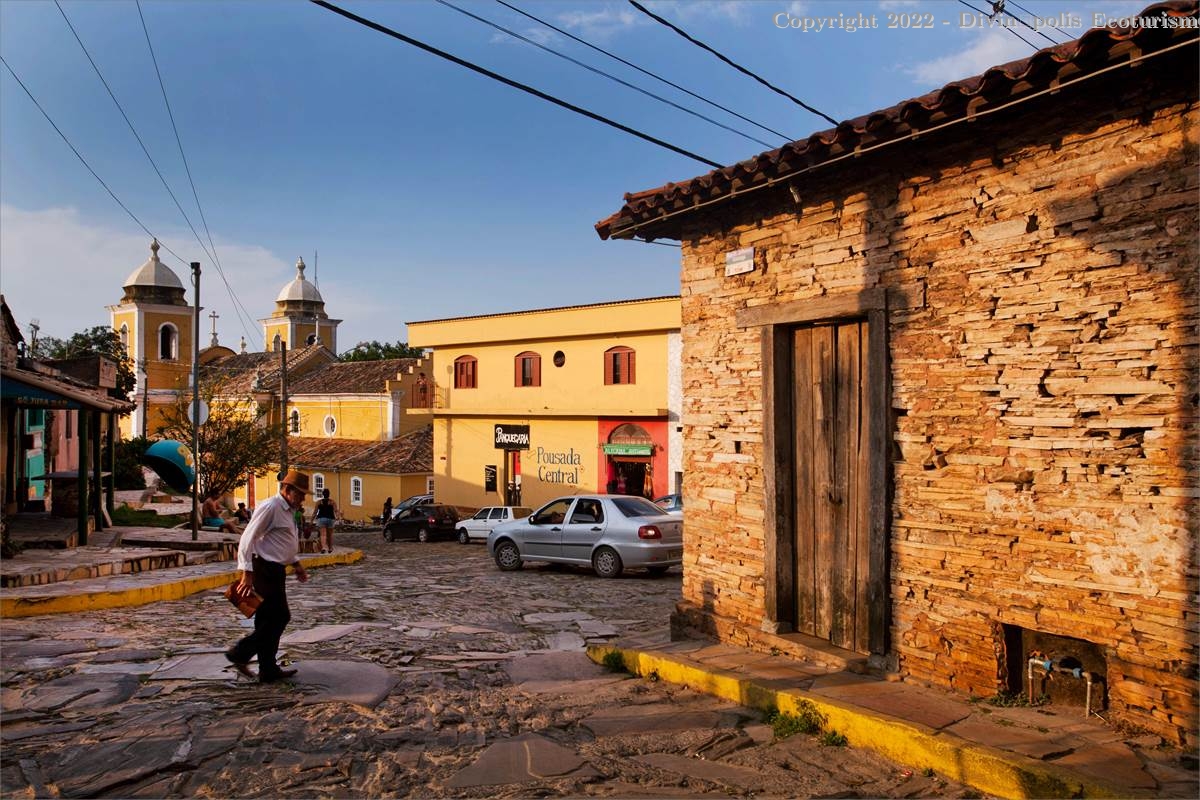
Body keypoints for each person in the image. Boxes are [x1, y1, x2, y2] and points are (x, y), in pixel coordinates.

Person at [226, 470, 310, 683]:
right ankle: (240, 653)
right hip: (264, 569)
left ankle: (268, 668)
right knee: (280, 617)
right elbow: (247, 537)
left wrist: (296, 564)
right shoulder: (271, 507)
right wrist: (246, 573)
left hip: (276, 570)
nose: (303, 498)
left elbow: (282, 542)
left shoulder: (288, 510)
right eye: (300, 494)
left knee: (266, 620)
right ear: (287, 490)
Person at [312, 488, 337, 554]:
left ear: (323, 494)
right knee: (330, 535)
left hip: (321, 519)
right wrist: (338, 518)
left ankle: (323, 548)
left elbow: (315, 512)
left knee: (323, 535)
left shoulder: (319, 502)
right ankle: (330, 548)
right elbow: (336, 511)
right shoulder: (332, 502)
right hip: (330, 519)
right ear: (329, 494)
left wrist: (311, 521)